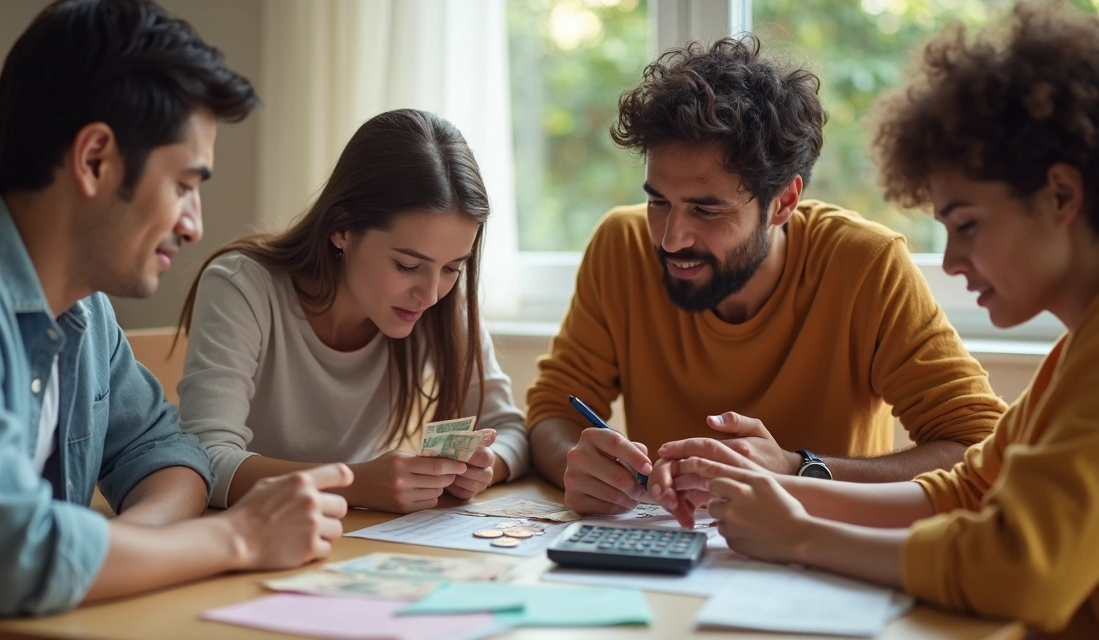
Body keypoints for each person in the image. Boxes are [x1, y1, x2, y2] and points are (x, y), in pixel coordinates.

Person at [0, 2, 351, 638]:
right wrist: (239, 537)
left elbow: (169, 454)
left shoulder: (85, 310)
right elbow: (10, 555)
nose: (196, 223)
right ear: (96, 158)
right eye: (185, 184)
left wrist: (112, 556)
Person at [657, 3, 1099, 637]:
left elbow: (1023, 569)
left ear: (1061, 195)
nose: (951, 261)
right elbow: (965, 493)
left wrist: (802, 536)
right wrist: (769, 486)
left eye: (968, 225)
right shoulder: (1075, 355)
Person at [526, 34, 1008, 516]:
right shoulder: (621, 245)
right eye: (659, 202)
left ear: (783, 202)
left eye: (706, 210)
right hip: (662, 555)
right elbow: (552, 411)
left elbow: (981, 446)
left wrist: (796, 470)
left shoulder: (866, 264)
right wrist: (576, 461)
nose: (671, 239)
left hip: (819, 561)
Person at [174, 108, 530, 514]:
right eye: (407, 266)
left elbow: (510, 430)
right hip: (245, 533)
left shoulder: (441, 305)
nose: (430, 294)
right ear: (342, 228)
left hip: (356, 536)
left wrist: (485, 467)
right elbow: (205, 459)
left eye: (452, 268)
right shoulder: (242, 285)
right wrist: (355, 483)